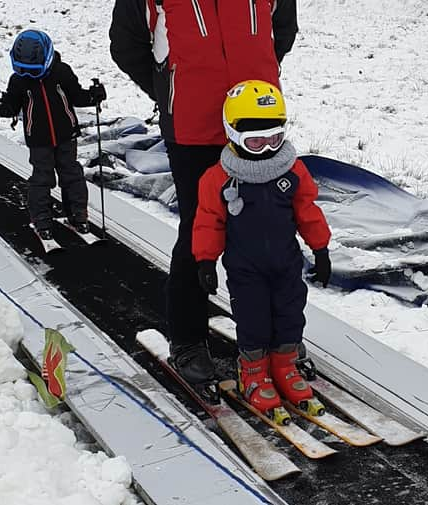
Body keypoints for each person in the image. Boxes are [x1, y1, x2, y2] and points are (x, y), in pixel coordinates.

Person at [109, 0, 299, 385]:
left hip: (256, 125)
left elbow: (284, 30)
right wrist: (168, 90)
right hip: (192, 126)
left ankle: (278, 338)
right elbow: (124, 43)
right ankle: (188, 339)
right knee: (199, 231)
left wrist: (258, 76)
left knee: (269, 230)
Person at [192, 80, 331, 418]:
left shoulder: (292, 170)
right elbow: (208, 220)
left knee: (289, 315)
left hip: (286, 264)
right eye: (256, 141)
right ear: (233, 134)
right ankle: (252, 373)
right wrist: (206, 260)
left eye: (275, 138)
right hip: (246, 268)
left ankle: (285, 366)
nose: (268, 148)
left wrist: (321, 248)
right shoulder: (219, 178)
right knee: (253, 321)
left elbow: (308, 210)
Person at [0, 29, 106, 240]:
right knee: (42, 178)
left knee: (72, 175)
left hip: (66, 136)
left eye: (33, 72)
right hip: (38, 139)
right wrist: (1, 107)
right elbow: (12, 105)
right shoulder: (18, 81)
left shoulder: (62, 72)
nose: (28, 76)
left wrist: (93, 96)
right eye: (23, 71)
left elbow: (78, 97)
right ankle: (42, 221)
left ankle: (78, 215)